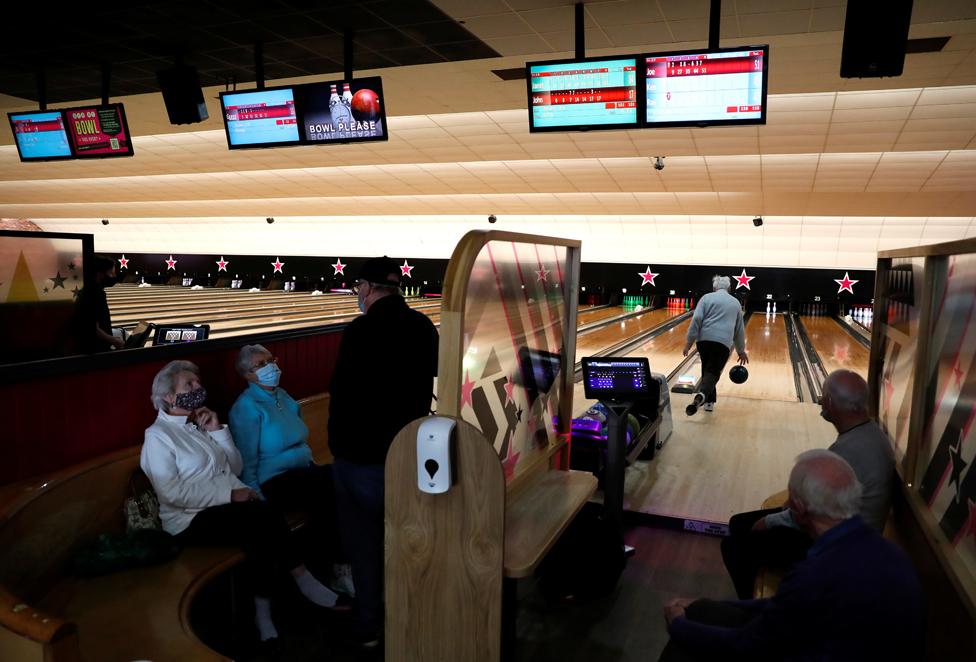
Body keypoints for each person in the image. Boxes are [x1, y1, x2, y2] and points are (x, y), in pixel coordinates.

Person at [141, 360, 349, 644]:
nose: (197, 387)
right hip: (188, 519)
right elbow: (170, 494)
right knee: (260, 519)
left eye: (197, 382)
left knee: (261, 524)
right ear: (167, 396)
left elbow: (235, 468)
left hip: (227, 508)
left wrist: (217, 430)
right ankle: (300, 581)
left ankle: (262, 611)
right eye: (188, 384)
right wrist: (228, 494)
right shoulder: (158, 436)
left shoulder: (198, 425)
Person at [660, 449, 923, 662]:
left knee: (681, 650)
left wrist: (679, 625)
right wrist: (713, 604)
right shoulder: (889, 552)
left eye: (790, 500)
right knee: (702, 610)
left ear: (798, 509)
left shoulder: (813, 575)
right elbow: (786, 607)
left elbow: (746, 646)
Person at [328, 256, 439, 647]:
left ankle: (369, 625)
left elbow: (343, 391)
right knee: (406, 540)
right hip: (409, 454)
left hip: (361, 460)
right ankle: (415, 619)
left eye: (358, 287)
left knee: (364, 546)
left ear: (367, 287)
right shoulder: (424, 326)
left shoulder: (360, 330)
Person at [721, 369, 896, 598]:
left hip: (838, 548)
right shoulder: (868, 433)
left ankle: (754, 609)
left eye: (823, 396)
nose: (820, 400)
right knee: (738, 523)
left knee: (735, 547)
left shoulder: (850, 451)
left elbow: (810, 515)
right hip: (850, 533)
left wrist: (768, 520)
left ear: (831, 403)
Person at [229, 344, 353, 595]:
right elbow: (246, 462)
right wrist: (258, 498)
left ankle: (345, 559)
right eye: (260, 364)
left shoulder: (283, 396)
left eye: (270, 360)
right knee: (330, 487)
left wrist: (312, 466)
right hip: (273, 481)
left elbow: (301, 441)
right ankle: (338, 566)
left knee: (344, 478)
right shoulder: (246, 408)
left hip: (303, 472)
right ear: (247, 375)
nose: (270, 367)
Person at [682, 275, 748, 415]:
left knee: (707, 369)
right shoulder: (735, 303)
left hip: (703, 341)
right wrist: (741, 350)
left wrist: (689, 342)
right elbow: (739, 330)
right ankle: (702, 397)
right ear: (729, 288)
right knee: (712, 372)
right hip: (722, 343)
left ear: (714, 287)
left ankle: (708, 401)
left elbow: (697, 320)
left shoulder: (706, 298)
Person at [73, 254, 123, 353]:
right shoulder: (96, 293)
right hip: (94, 350)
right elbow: (91, 327)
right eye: (111, 273)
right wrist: (114, 340)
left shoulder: (87, 289)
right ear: (100, 274)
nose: (114, 276)